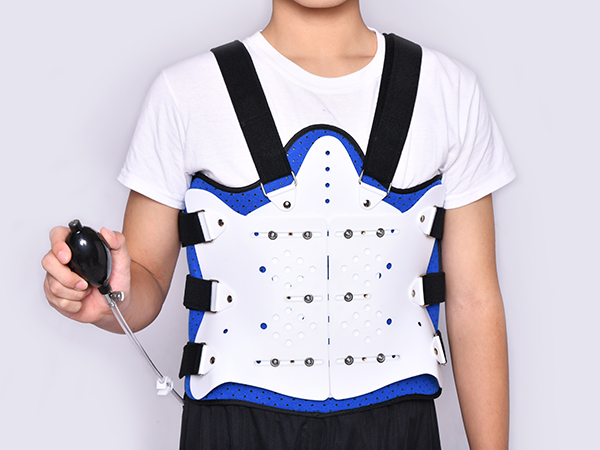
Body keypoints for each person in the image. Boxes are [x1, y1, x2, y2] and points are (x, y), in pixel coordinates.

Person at [42, 1, 514, 449]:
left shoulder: (447, 90)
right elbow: (142, 283)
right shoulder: (185, 92)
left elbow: (474, 300)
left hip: (397, 424)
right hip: (234, 424)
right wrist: (107, 299)